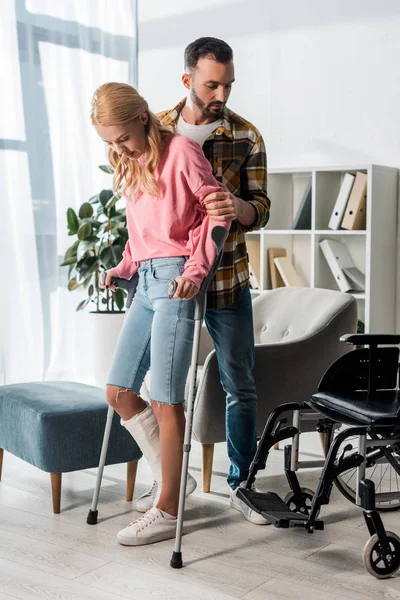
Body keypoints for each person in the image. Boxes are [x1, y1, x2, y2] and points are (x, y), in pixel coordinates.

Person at [136, 37, 271, 525]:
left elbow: (262, 209)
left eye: (228, 85)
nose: (221, 94)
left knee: (240, 383)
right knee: (160, 385)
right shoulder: (155, 130)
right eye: (212, 83)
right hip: (168, 283)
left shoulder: (247, 136)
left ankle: (242, 483)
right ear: (187, 79)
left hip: (227, 281)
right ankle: (168, 477)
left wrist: (237, 208)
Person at [92, 82, 230, 546]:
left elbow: (216, 216)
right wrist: (123, 266)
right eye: (109, 143)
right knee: (118, 391)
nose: (118, 149)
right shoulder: (133, 163)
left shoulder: (183, 153)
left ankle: (168, 507)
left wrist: (196, 270)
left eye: (122, 138)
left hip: (177, 282)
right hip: (144, 282)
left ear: (143, 118)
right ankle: (173, 478)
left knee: (168, 399)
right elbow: (140, 234)